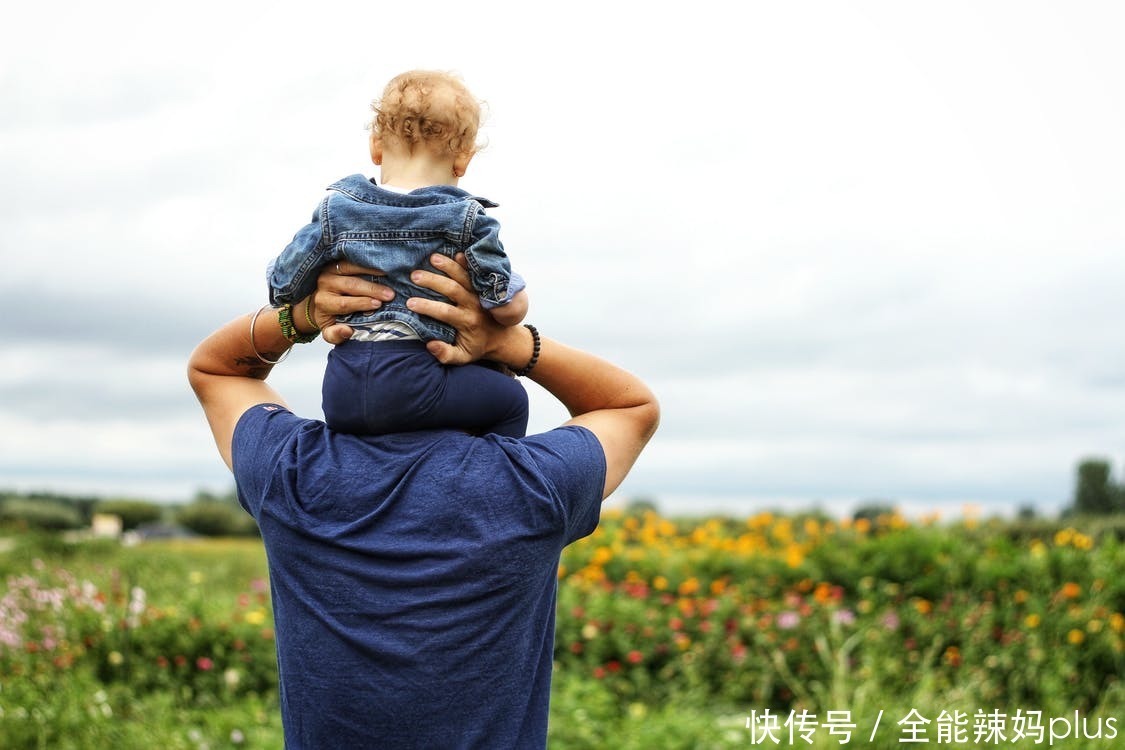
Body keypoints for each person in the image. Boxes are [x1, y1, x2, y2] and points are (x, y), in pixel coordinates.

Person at [187, 254, 659, 749]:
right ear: (487, 378)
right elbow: (628, 405)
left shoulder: (294, 472)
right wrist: (512, 342)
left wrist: (302, 316)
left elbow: (217, 371)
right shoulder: (531, 485)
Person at [267, 70, 530, 438]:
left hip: (342, 387)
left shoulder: (336, 210)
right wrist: (515, 300)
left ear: (375, 146)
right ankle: (494, 481)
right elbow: (504, 307)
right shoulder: (467, 219)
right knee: (511, 400)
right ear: (463, 161)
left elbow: (284, 285)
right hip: (417, 380)